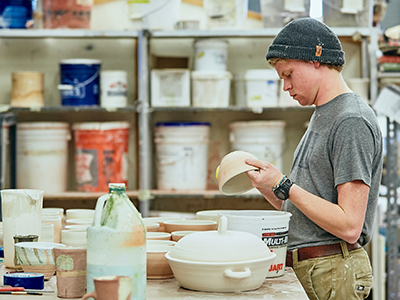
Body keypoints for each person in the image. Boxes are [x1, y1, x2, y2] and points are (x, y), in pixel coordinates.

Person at [245, 18, 383, 300]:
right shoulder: (324, 114)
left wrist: (284, 184)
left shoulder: (351, 120)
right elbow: (305, 209)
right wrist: (267, 186)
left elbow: (349, 225)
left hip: (334, 272)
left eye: (289, 74)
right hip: (315, 269)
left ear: (315, 60)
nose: (286, 86)